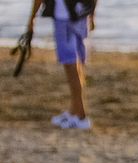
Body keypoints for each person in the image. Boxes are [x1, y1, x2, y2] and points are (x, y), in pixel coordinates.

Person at [21, 0, 96, 130]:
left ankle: (80, 115)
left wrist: (32, 19)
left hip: (65, 17)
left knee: (70, 64)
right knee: (76, 64)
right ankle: (75, 110)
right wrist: (92, 14)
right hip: (80, 14)